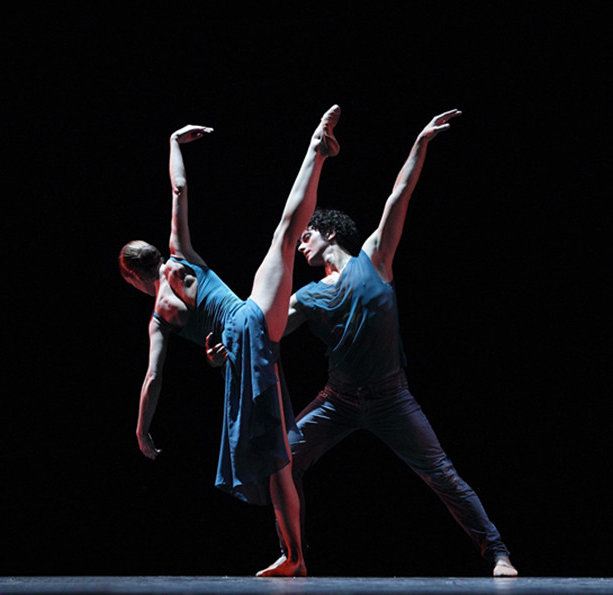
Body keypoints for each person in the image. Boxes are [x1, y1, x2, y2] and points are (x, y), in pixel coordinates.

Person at [208, 109, 519, 577]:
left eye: (307, 235)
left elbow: (399, 196)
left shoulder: (375, 258)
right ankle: (294, 556)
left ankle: (497, 552)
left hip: (391, 396)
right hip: (339, 399)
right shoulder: (307, 296)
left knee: (441, 475)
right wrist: (228, 351)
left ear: (329, 232)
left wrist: (419, 144)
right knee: (282, 460)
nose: (302, 244)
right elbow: (263, 329)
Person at [119, 105, 341, 578]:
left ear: (132, 275)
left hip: (248, 336)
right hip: (251, 316)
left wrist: (142, 429)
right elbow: (179, 189)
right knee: (285, 234)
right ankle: (316, 151)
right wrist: (174, 143)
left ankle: (295, 557)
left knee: (276, 458)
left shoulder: (159, 315)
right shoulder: (181, 256)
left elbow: (154, 375)